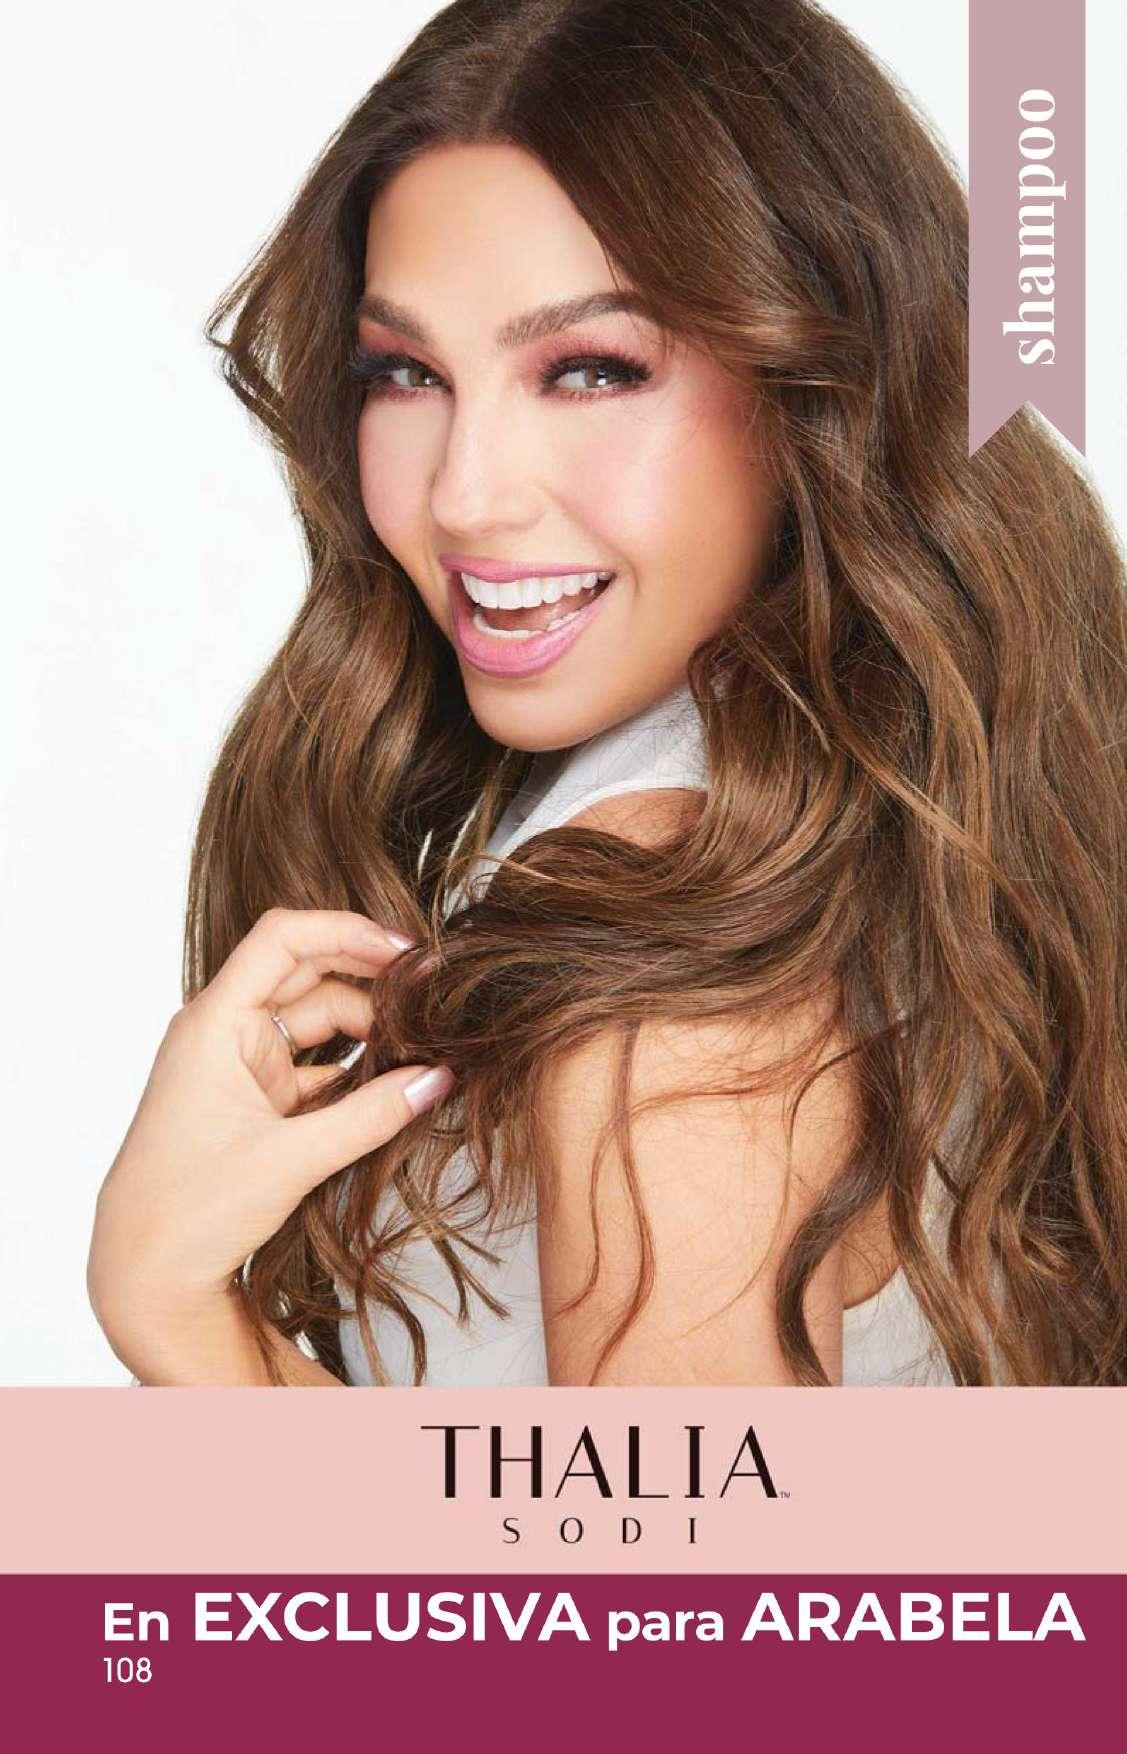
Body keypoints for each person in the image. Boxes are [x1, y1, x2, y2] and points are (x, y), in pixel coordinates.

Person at [87, 0, 1127, 1388]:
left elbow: (677, 1544)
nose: (464, 494)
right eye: (405, 374)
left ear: (818, 388)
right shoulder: (839, 834)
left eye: (589, 370)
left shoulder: (677, 961)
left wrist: (175, 1311)